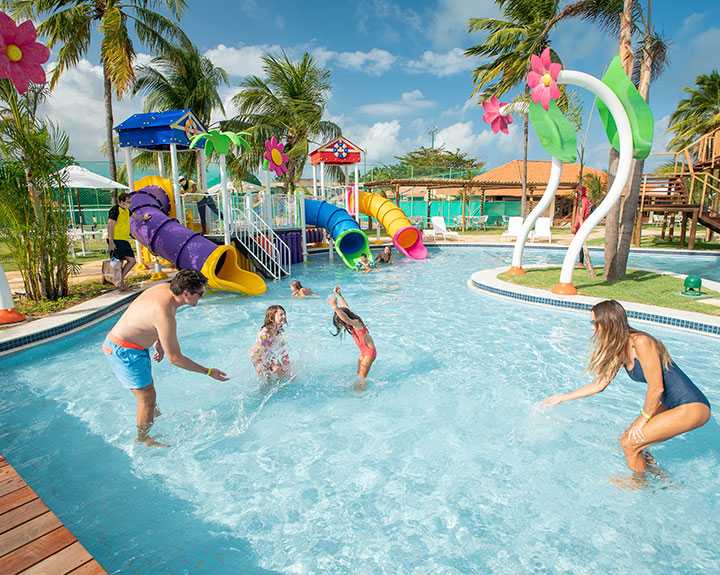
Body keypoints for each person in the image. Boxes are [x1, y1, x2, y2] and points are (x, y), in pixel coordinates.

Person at [541, 300, 711, 476]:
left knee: (630, 442)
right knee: (629, 439)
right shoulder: (620, 348)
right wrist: (562, 397)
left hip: (691, 406)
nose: (593, 328)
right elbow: (600, 384)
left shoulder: (641, 342)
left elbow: (656, 388)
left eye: (595, 323)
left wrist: (642, 419)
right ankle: (660, 479)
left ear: (608, 323)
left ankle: (638, 485)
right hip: (671, 405)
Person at [103, 270, 229, 446]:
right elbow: (175, 358)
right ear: (186, 293)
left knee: (148, 395)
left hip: (129, 346)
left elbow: (144, 315)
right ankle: (143, 440)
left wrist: (159, 341)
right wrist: (208, 372)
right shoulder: (165, 314)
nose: (201, 297)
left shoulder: (164, 289)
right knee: (147, 397)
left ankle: (150, 419)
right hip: (125, 351)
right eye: (200, 294)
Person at [328, 286, 376, 390]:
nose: (342, 325)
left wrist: (334, 307)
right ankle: (359, 389)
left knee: (362, 378)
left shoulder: (356, 323)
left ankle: (360, 395)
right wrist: (339, 295)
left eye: (341, 322)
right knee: (358, 374)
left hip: (369, 353)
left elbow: (345, 317)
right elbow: (346, 307)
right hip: (364, 353)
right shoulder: (352, 323)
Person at [250, 305, 291, 384]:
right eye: (281, 315)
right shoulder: (265, 333)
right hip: (257, 358)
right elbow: (261, 353)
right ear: (272, 317)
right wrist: (272, 366)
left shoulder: (278, 332)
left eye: (284, 314)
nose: (284, 316)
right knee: (267, 381)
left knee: (283, 372)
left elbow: (284, 352)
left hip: (268, 355)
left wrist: (288, 367)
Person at [107, 192, 136, 290]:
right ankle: (119, 283)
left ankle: (119, 281)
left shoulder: (127, 210)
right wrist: (111, 242)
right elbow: (110, 224)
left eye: (130, 202)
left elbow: (136, 216)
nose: (129, 204)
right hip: (116, 239)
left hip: (123, 240)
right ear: (121, 201)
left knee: (131, 261)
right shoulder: (115, 210)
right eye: (128, 202)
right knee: (119, 262)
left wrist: (144, 218)